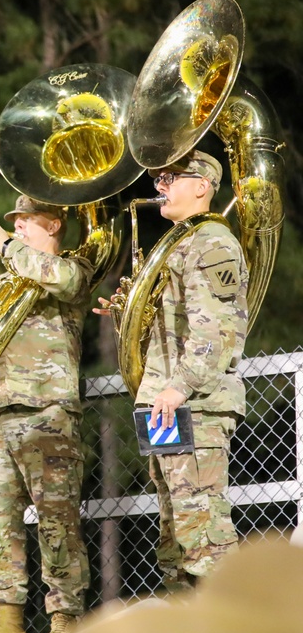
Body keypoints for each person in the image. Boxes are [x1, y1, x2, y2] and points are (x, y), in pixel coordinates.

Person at [95, 150, 245, 592]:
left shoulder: (211, 241)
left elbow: (214, 332)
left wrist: (178, 387)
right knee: (176, 532)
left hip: (192, 403)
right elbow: (174, 328)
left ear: (202, 186)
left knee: (204, 532)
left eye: (171, 177)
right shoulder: (180, 243)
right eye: (159, 178)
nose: (159, 185)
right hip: (167, 404)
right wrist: (128, 317)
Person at [0, 195, 92, 633]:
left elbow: (62, 280)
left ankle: (64, 620)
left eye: (27, 223)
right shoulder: (10, 282)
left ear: (52, 226)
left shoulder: (73, 270)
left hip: (46, 411)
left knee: (57, 521)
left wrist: (7, 246)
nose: (19, 229)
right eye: (16, 224)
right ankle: (7, 624)